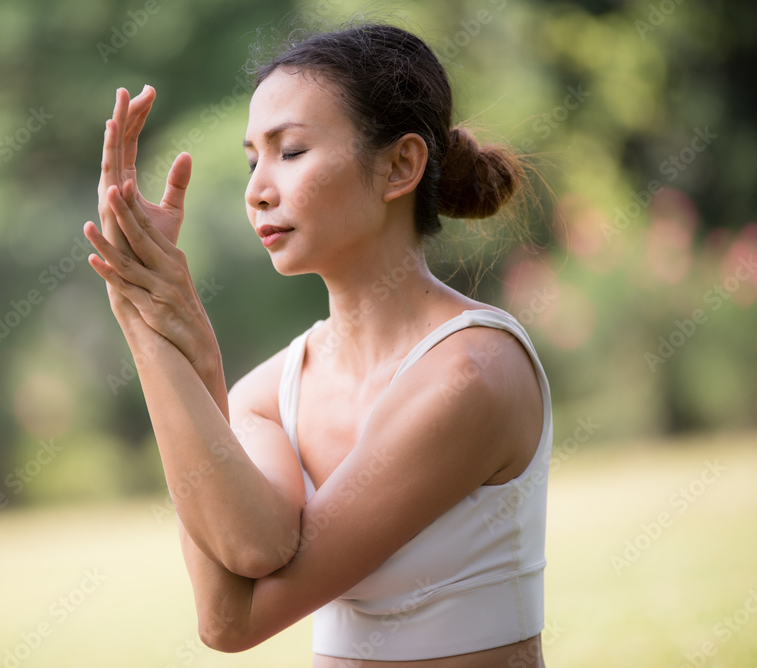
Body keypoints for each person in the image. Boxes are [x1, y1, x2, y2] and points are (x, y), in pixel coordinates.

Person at [84, 22, 551, 667]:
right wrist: (149, 323)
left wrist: (178, 341)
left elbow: (239, 621)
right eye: (254, 160)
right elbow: (239, 572)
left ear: (400, 166)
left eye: (291, 151)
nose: (257, 190)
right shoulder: (269, 396)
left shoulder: (471, 374)